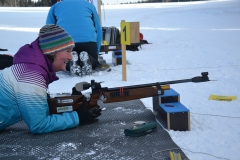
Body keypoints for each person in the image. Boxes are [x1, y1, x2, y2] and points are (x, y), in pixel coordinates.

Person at [0, 24, 101, 134]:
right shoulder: (31, 77)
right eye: (67, 51)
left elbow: (40, 108)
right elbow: (38, 125)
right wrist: (78, 117)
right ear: (52, 52)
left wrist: (70, 104)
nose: (71, 57)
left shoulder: (30, 69)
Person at [46, 0, 102, 71]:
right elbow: (98, 30)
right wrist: (96, 52)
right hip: (88, 42)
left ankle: (70, 63)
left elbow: (48, 32)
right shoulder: (89, 6)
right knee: (93, 62)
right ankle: (89, 59)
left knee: (62, 64)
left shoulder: (55, 7)